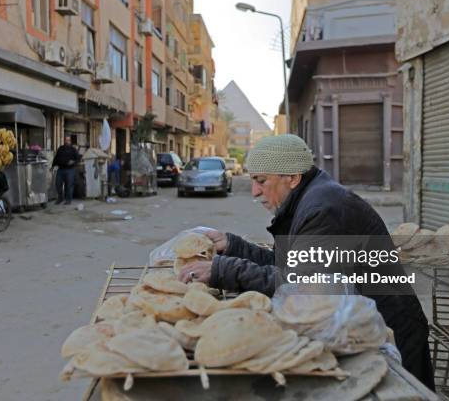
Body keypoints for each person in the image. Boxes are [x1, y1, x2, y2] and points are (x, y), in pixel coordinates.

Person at [177, 134, 435, 390]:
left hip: (388, 328)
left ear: (292, 178)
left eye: (261, 181)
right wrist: (233, 245)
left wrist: (223, 270)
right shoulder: (307, 199)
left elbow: (298, 282)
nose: (255, 191)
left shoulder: (324, 209)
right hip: (360, 323)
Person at [51, 136, 81, 205]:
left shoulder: (73, 149)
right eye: (66, 140)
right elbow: (56, 158)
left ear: (70, 141)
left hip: (70, 170)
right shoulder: (60, 148)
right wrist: (53, 166)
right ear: (64, 141)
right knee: (58, 184)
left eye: (68, 140)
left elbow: (78, 158)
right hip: (60, 169)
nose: (67, 141)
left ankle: (68, 200)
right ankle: (60, 198)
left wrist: (73, 162)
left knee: (69, 185)